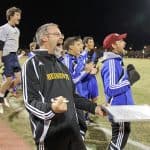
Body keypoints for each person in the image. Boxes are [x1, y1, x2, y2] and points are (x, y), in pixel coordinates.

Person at [22, 23, 105, 150]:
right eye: (57, 34)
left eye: (61, 34)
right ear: (44, 38)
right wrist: (52, 109)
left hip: (73, 131)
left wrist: (94, 108)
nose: (61, 37)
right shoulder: (32, 64)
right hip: (51, 134)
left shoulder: (62, 66)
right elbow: (30, 102)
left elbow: (73, 97)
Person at [101, 33, 134, 150]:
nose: (124, 43)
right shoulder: (111, 63)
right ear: (114, 45)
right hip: (118, 108)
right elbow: (110, 89)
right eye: (121, 41)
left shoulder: (116, 61)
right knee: (120, 138)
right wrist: (129, 81)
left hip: (122, 107)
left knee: (122, 136)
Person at [0, 7, 22, 113]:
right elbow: (1, 45)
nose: (19, 17)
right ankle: (0, 101)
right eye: (17, 15)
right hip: (7, 56)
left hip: (14, 56)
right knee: (8, 80)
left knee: (18, 79)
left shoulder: (17, 30)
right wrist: (0, 59)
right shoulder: (4, 28)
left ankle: (4, 95)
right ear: (11, 16)